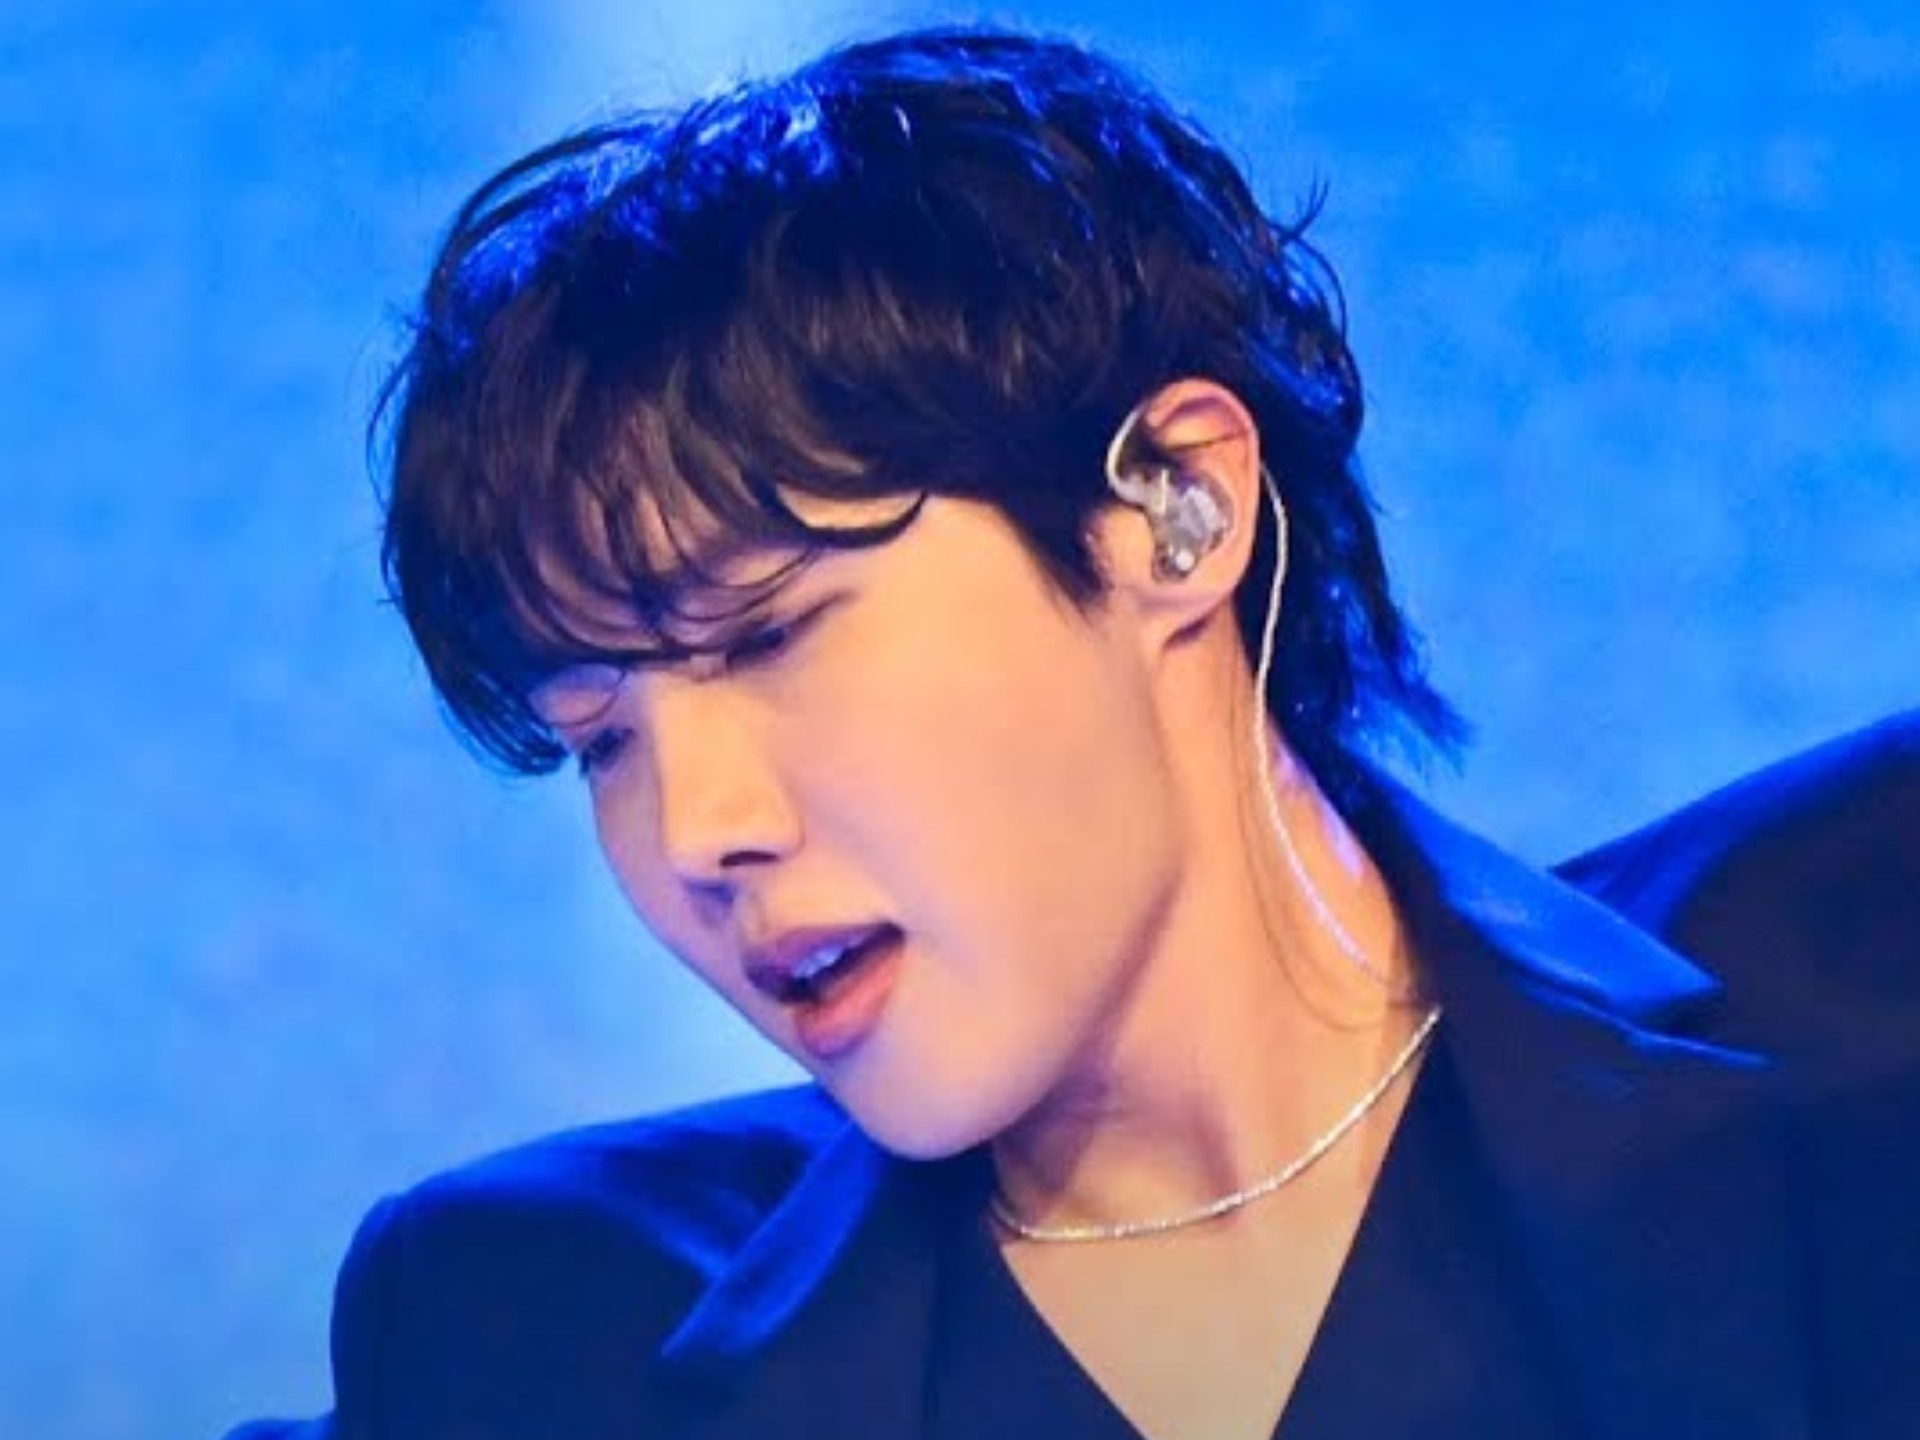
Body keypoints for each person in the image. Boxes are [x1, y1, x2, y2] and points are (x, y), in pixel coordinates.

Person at [225, 25, 1920, 1440]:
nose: (695, 831)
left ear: (1175, 510)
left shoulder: (1860, 1033)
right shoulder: (531, 1339)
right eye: (603, 738)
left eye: (767, 636)